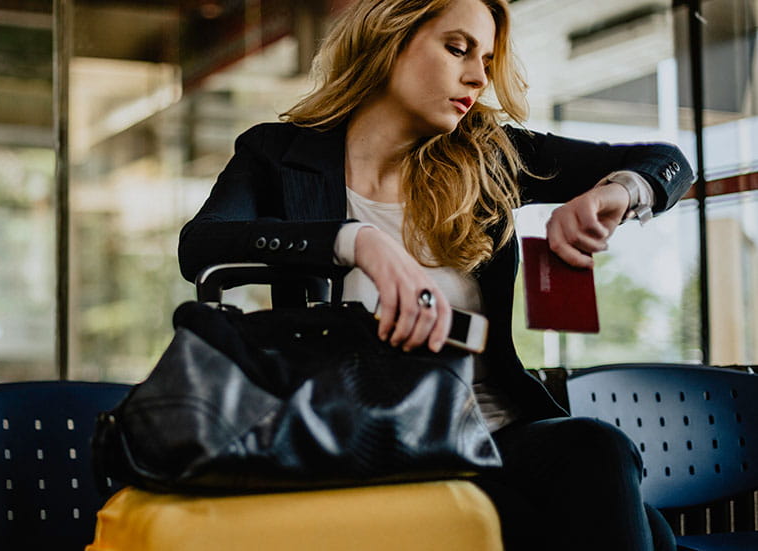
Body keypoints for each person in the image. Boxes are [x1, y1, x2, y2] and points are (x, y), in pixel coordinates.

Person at [177, 0, 693, 549]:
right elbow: (201, 246)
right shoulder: (278, 154)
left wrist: (617, 192)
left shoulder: (489, 156)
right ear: (389, 38)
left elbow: (667, 162)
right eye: (457, 48)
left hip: (495, 435)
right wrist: (355, 241)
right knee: (644, 531)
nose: (477, 75)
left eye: (487, 59)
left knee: (598, 451)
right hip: (363, 441)